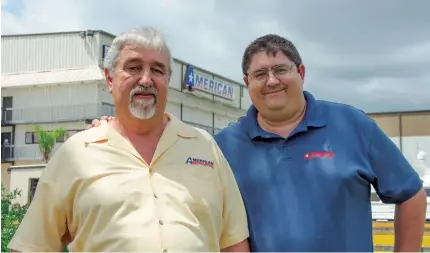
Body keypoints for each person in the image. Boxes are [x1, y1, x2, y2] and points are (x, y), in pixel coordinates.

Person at [89, 34, 427, 252]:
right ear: (247, 83)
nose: (272, 81)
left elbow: (410, 195)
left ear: (302, 72)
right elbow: (165, 166)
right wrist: (118, 127)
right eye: (260, 74)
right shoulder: (220, 147)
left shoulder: (352, 125)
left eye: (281, 69)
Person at [8, 27, 250, 252]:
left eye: (157, 70)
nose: (146, 79)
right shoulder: (76, 153)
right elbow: (32, 245)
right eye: (133, 67)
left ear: (167, 80)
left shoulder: (204, 147)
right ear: (110, 79)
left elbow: (233, 242)